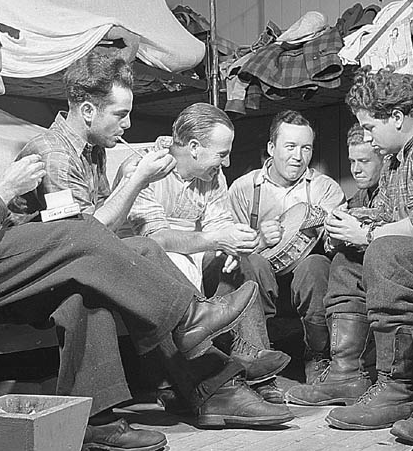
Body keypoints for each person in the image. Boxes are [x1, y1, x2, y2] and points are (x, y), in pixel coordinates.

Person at [0, 13, 286, 451]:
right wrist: (4, 191)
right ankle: (188, 321)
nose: (1, 88)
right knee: (80, 233)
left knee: (89, 290)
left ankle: (99, 419)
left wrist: (11, 217)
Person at [19, 52, 295, 427]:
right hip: (39, 277)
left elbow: (94, 234)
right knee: (147, 252)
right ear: (87, 110)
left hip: (80, 264)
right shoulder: (54, 154)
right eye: (120, 114)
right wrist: (135, 182)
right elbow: (79, 242)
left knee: (162, 260)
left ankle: (215, 378)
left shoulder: (91, 151)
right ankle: (219, 367)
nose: (129, 124)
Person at [291, 65, 413, 445]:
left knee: (383, 248)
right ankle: (346, 373)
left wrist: (369, 233)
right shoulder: (395, 162)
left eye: (370, 127)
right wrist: (348, 225)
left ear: (399, 118)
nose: (367, 138)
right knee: (349, 258)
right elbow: (384, 216)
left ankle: (398, 386)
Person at [125, 103, 292, 405]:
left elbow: (220, 224)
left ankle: (254, 365)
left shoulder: (211, 174)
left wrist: (230, 244)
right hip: (144, 263)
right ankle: (213, 376)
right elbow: (155, 240)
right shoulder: (144, 166)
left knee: (241, 261)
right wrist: (216, 239)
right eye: (222, 154)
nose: (227, 163)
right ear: (193, 147)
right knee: (172, 263)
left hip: (191, 253)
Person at [229, 110, 345, 388]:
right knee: (252, 262)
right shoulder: (244, 188)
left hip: (304, 286)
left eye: (306, 148)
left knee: (315, 264)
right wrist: (258, 239)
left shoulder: (324, 188)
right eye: (290, 147)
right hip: (260, 284)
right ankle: (260, 357)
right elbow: (228, 248)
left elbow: (336, 240)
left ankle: (317, 356)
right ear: (271, 148)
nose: (298, 156)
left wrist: (331, 229)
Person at [285, 122, 384, 406]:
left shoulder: (388, 188)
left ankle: (347, 372)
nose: (355, 169)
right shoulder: (359, 196)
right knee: (319, 264)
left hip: (387, 268)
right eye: (352, 161)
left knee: (342, 262)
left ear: (383, 158)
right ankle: (331, 365)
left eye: (364, 161)